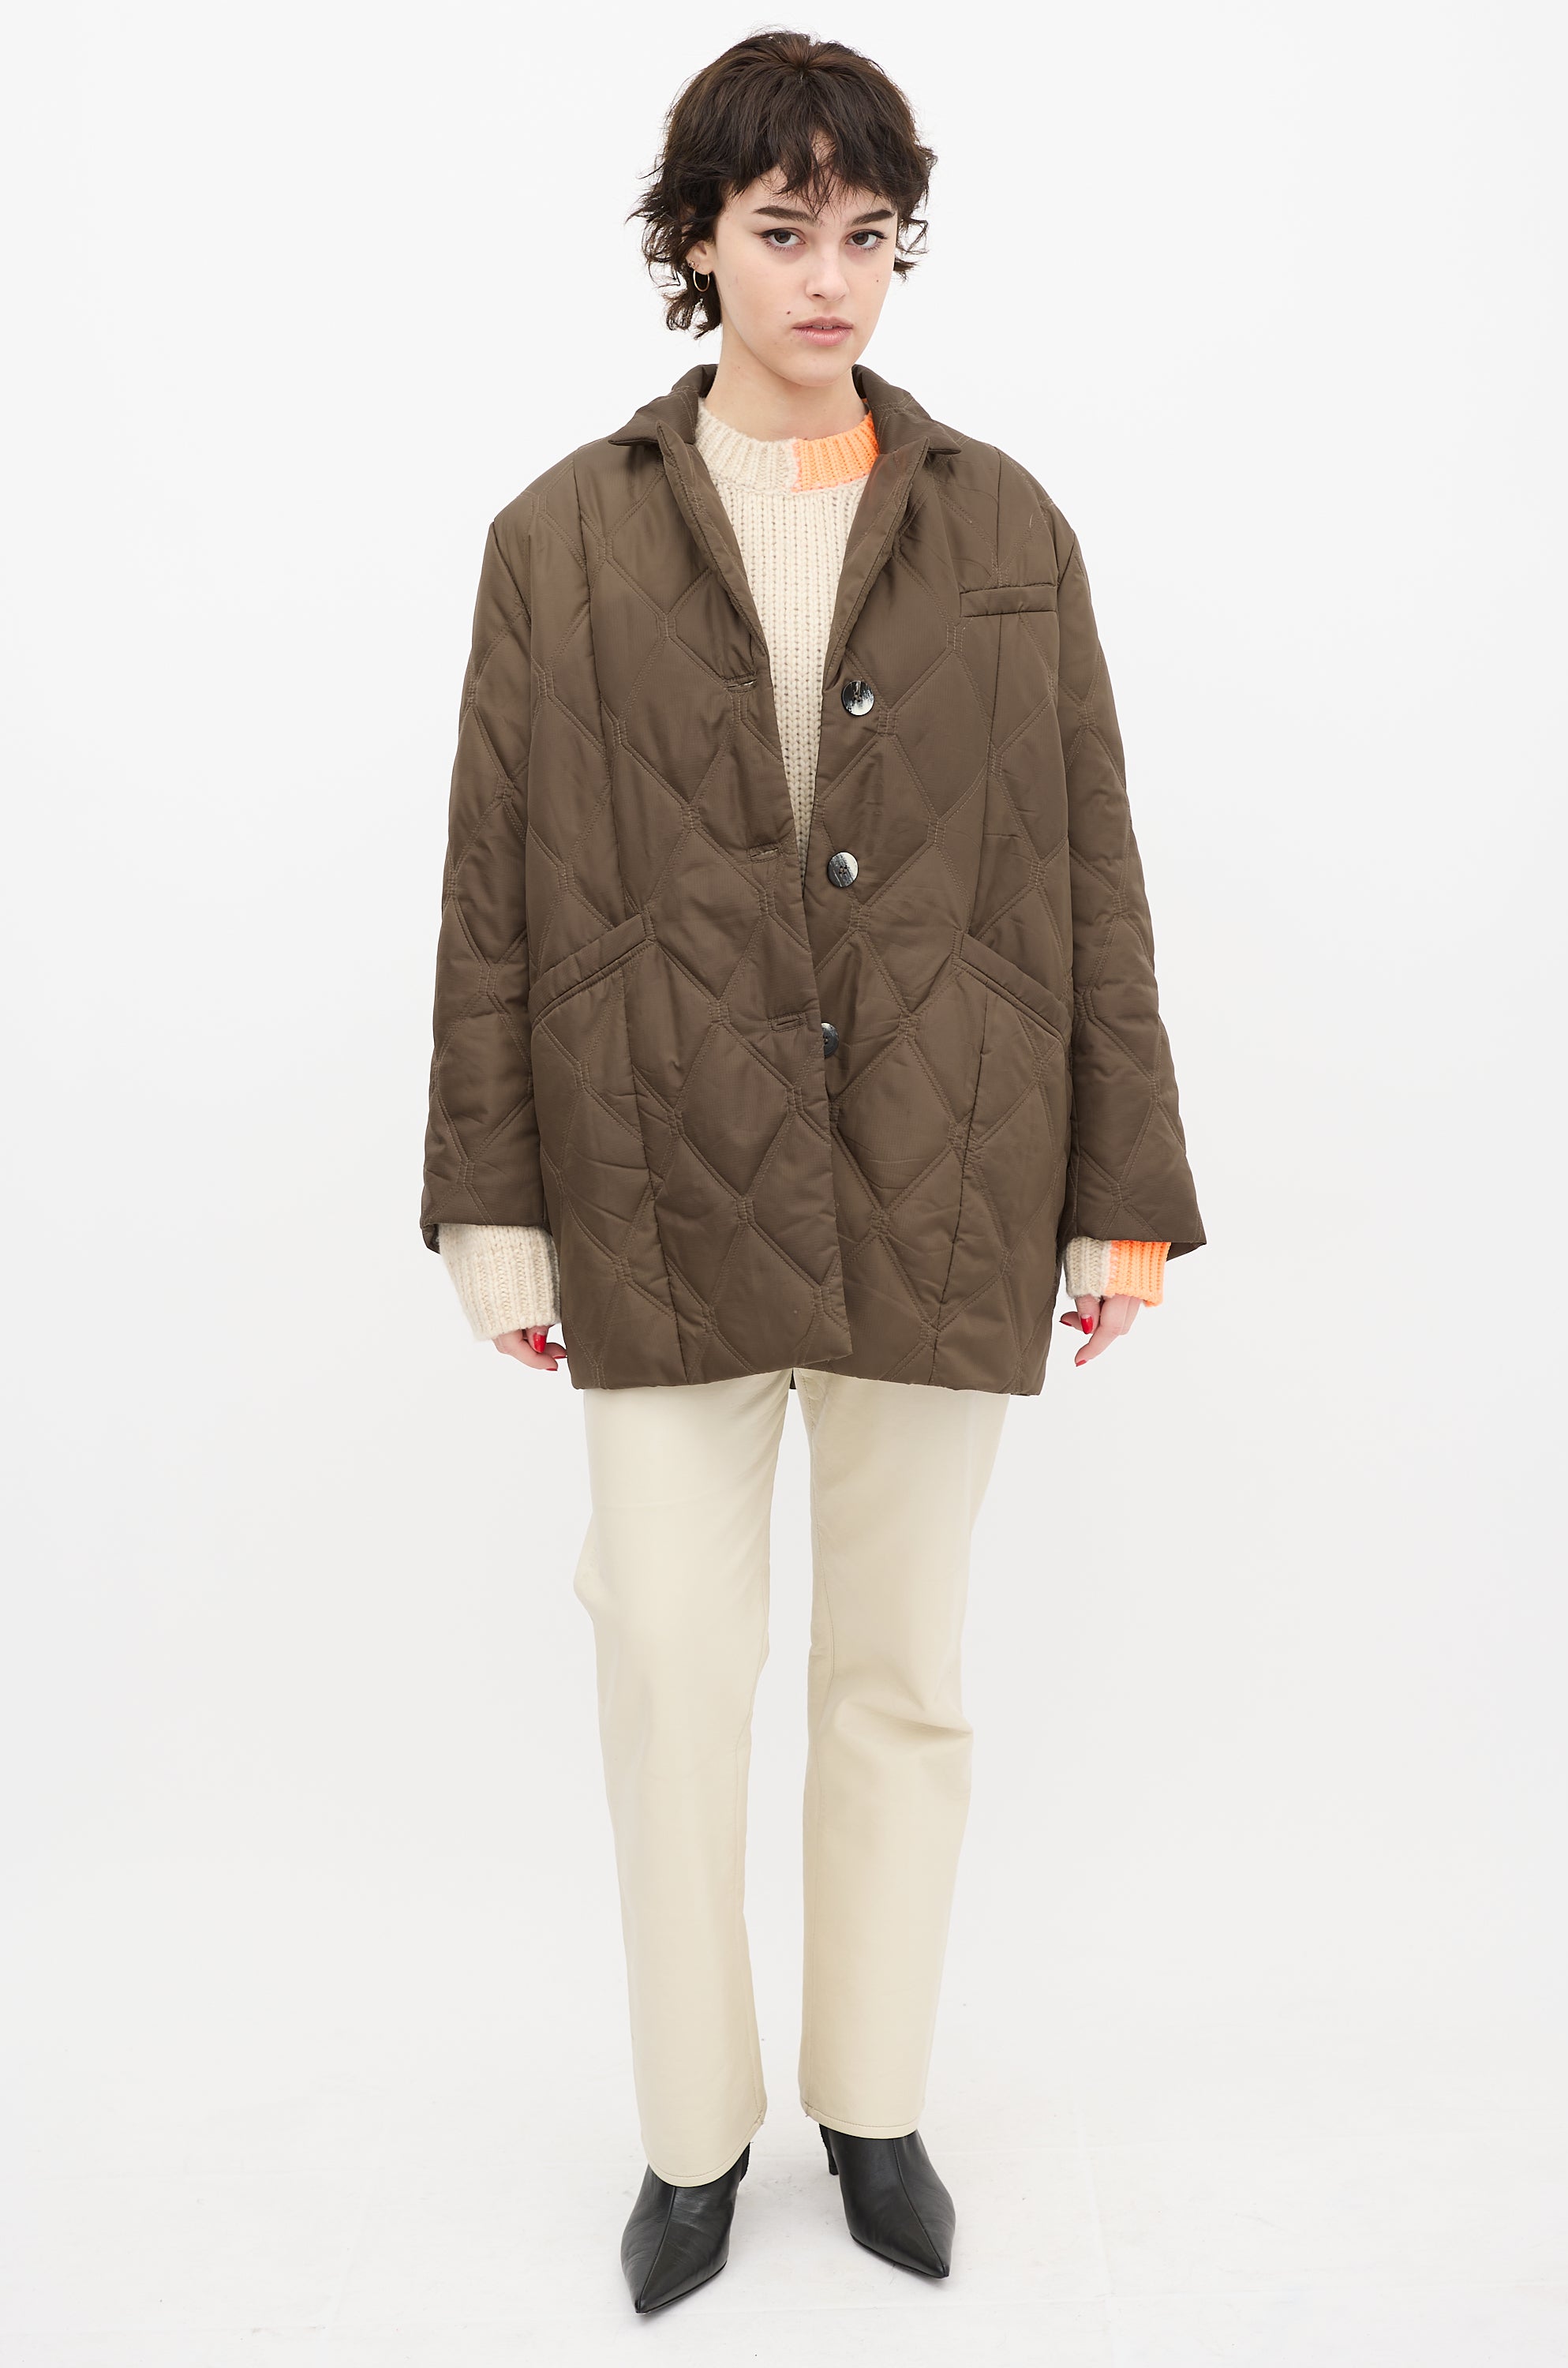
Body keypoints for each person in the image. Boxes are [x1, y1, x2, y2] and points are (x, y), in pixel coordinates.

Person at [420, 30, 1204, 2314]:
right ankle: (692, 2139)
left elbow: (1089, 868)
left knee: (902, 1673)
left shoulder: (1005, 529)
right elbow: (492, 889)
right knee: (668, 1669)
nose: (831, 277)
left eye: (869, 233)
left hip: (945, 1166)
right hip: (653, 1174)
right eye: (783, 230)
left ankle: (873, 2108)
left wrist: (1122, 1188)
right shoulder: (557, 539)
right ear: (697, 241)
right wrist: (495, 1205)